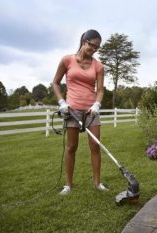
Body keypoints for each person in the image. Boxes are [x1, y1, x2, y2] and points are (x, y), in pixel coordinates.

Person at [52, 29, 108, 195]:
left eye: (97, 48)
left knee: (95, 147)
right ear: (85, 41)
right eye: (92, 46)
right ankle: (68, 184)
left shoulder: (98, 66)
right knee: (71, 147)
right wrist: (61, 101)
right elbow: (55, 83)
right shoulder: (67, 60)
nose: (94, 50)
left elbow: (100, 90)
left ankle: (97, 183)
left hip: (91, 112)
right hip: (72, 110)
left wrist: (97, 104)